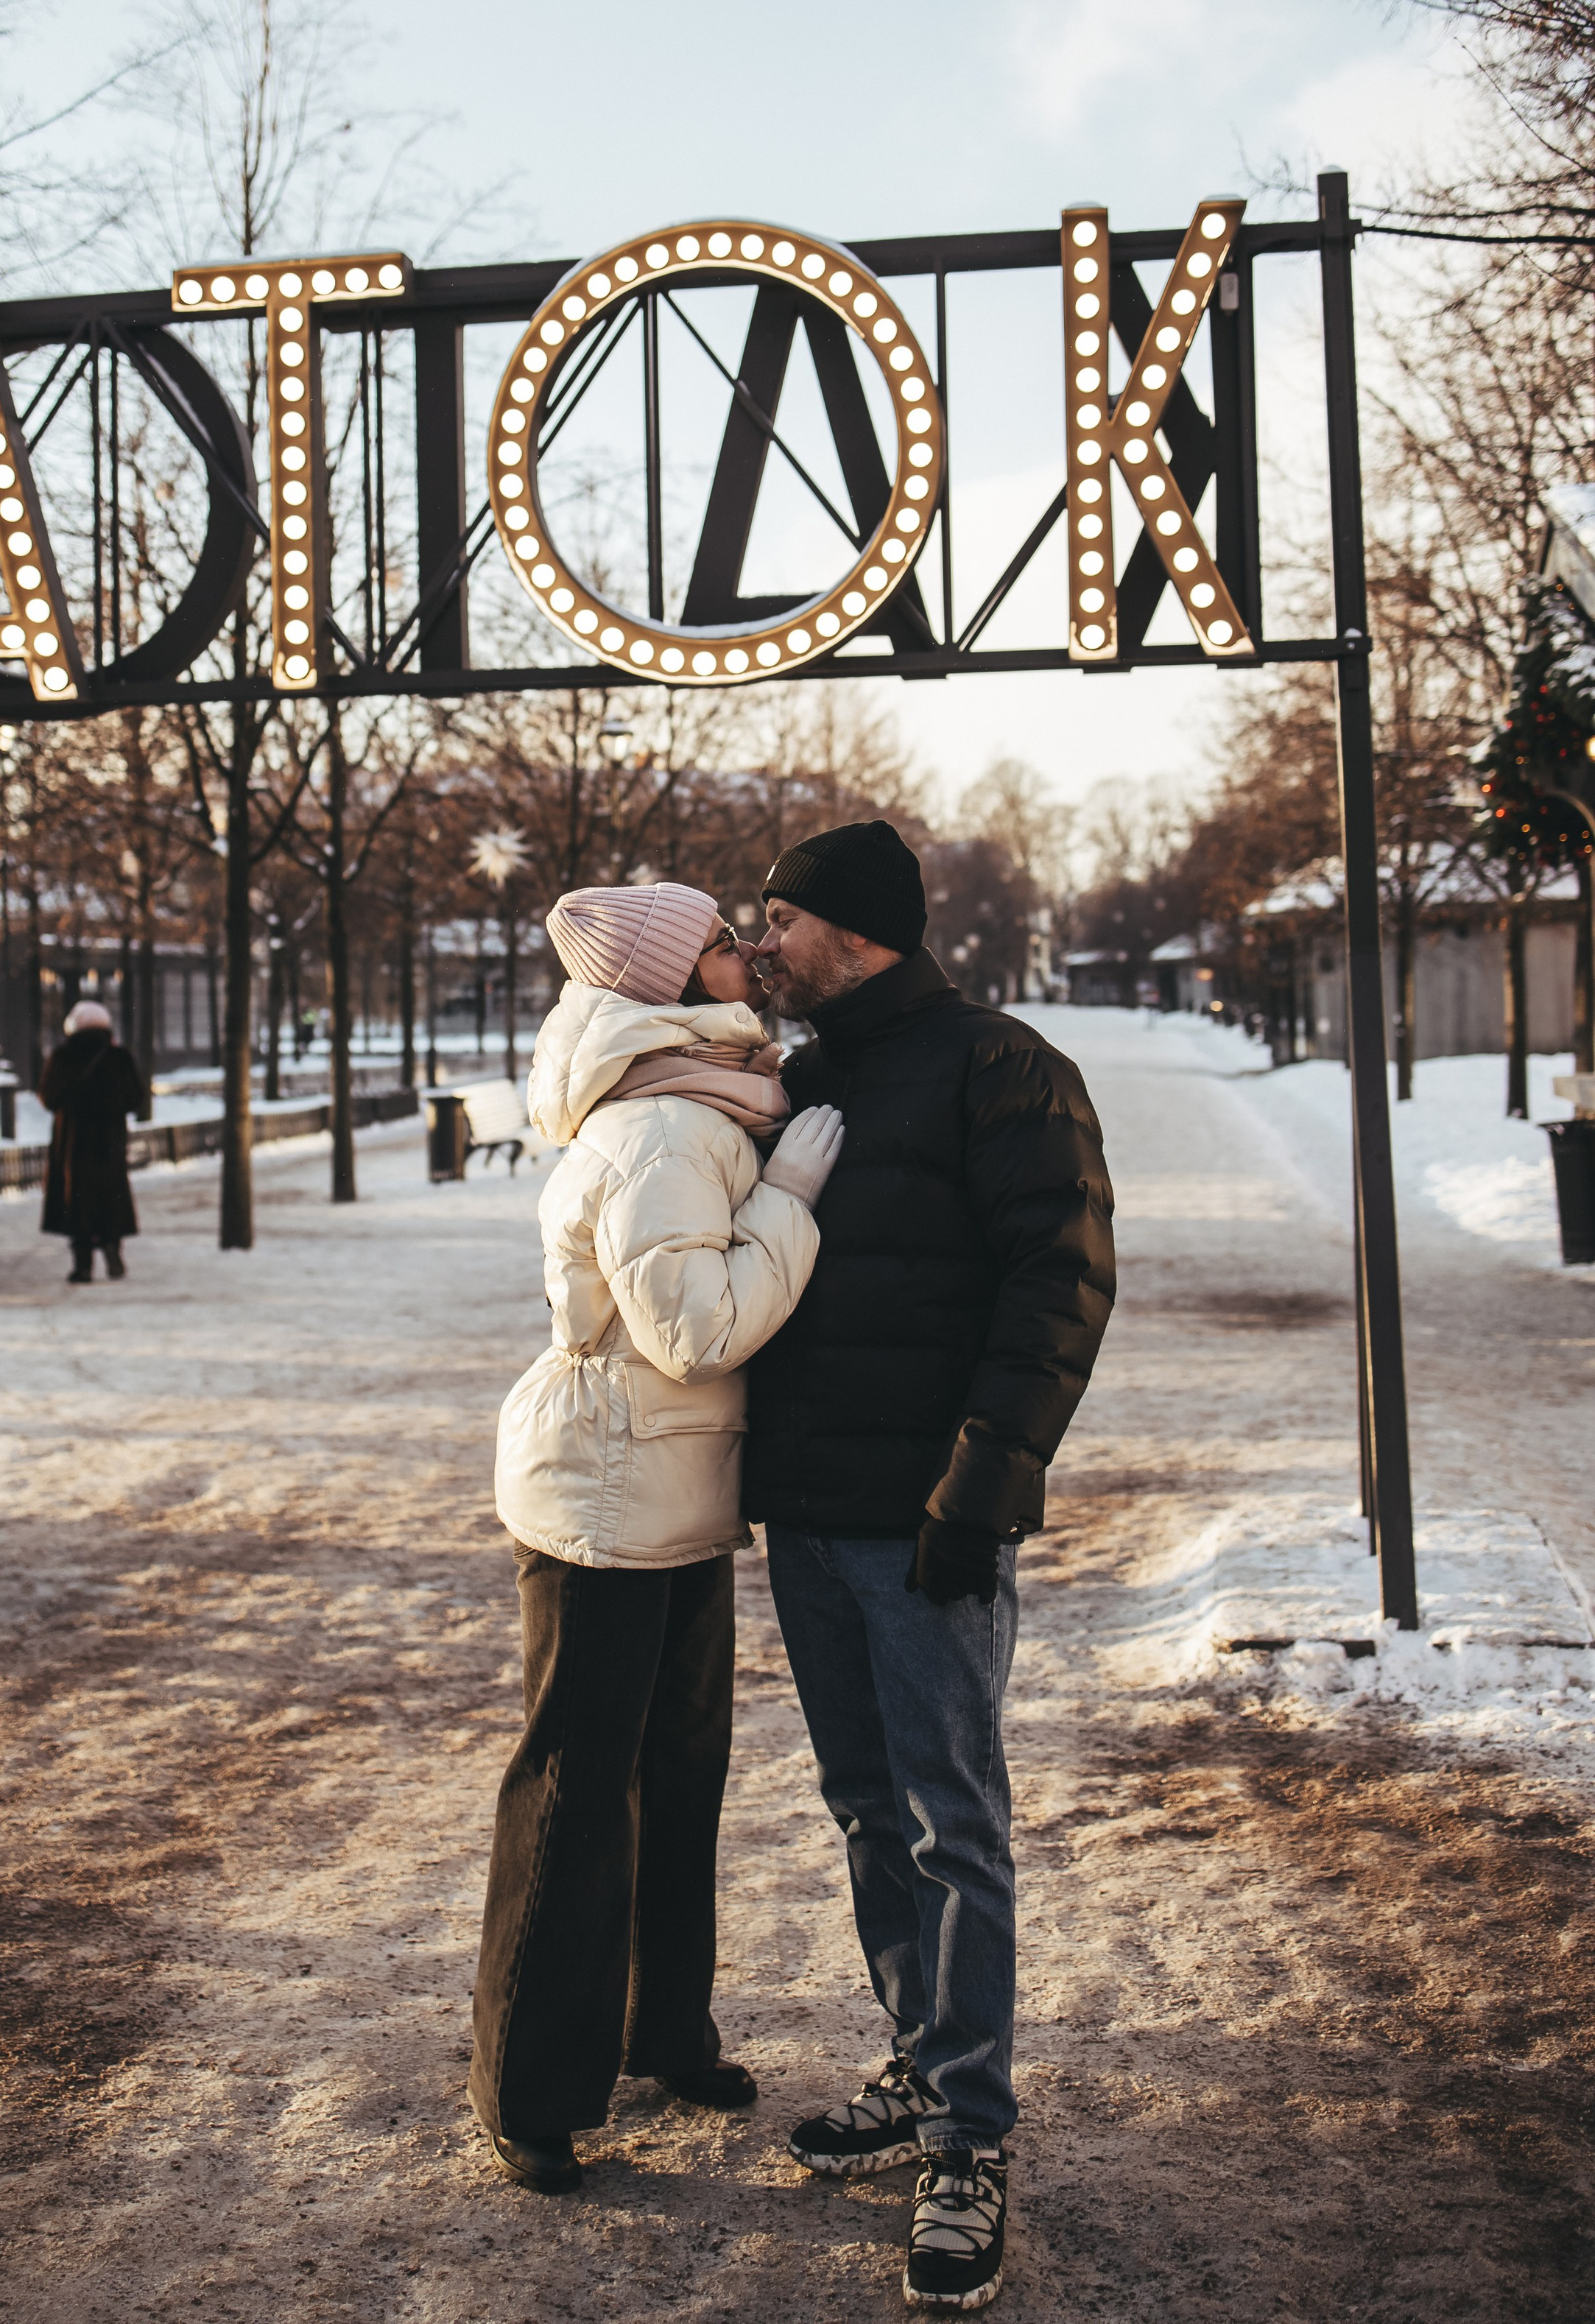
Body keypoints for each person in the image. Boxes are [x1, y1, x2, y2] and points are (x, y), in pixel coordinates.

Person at [743, 820, 1114, 2314]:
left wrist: (982, 1486)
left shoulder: (1002, 1068)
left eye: (781, 919)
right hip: (808, 1516)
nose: (761, 942)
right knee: (862, 1810)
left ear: (858, 930)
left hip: (925, 1523)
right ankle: (916, 2060)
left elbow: (1058, 1283)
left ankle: (967, 2136)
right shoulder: (804, 1078)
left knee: (950, 1823)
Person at [471, 881, 845, 2198]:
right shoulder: (665, 1128)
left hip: (672, 1485)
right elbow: (696, 1330)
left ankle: (664, 2030)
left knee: (681, 1775)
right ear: (669, 985)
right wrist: (789, 1203)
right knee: (577, 1790)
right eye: (720, 943)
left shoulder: (704, 1097)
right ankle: (527, 2089)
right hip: (609, 1494)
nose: (748, 953)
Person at [39, 1000, 147, 1284]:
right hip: (110, 1143)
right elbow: (136, 1097)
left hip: (73, 1144)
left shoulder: (63, 1057)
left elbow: (49, 1097)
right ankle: (112, 1247)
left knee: (77, 1201)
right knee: (111, 1196)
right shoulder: (119, 1058)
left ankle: (83, 1265)